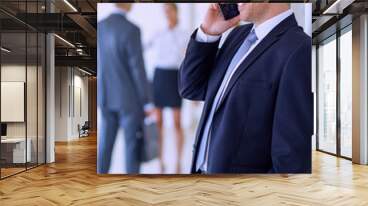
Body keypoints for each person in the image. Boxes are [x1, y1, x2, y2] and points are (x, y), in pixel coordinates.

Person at [179, 3, 313, 174]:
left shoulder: (299, 49)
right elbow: (191, 88)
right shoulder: (237, 35)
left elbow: (290, 160)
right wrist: (208, 32)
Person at [97, 3, 153, 174]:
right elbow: (137, 68)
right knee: (131, 147)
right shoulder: (131, 29)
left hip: (105, 96)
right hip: (129, 100)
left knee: (105, 146)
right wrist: (147, 101)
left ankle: (96, 183)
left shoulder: (100, 26)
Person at [145, 4, 188, 173]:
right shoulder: (158, 32)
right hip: (160, 76)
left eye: (169, 10)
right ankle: (160, 160)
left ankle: (178, 161)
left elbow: (188, 57)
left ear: (176, 11)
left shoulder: (184, 33)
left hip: (175, 76)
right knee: (159, 123)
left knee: (177, 122)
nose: (167, 14)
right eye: (165, 12)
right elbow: (143, 47)